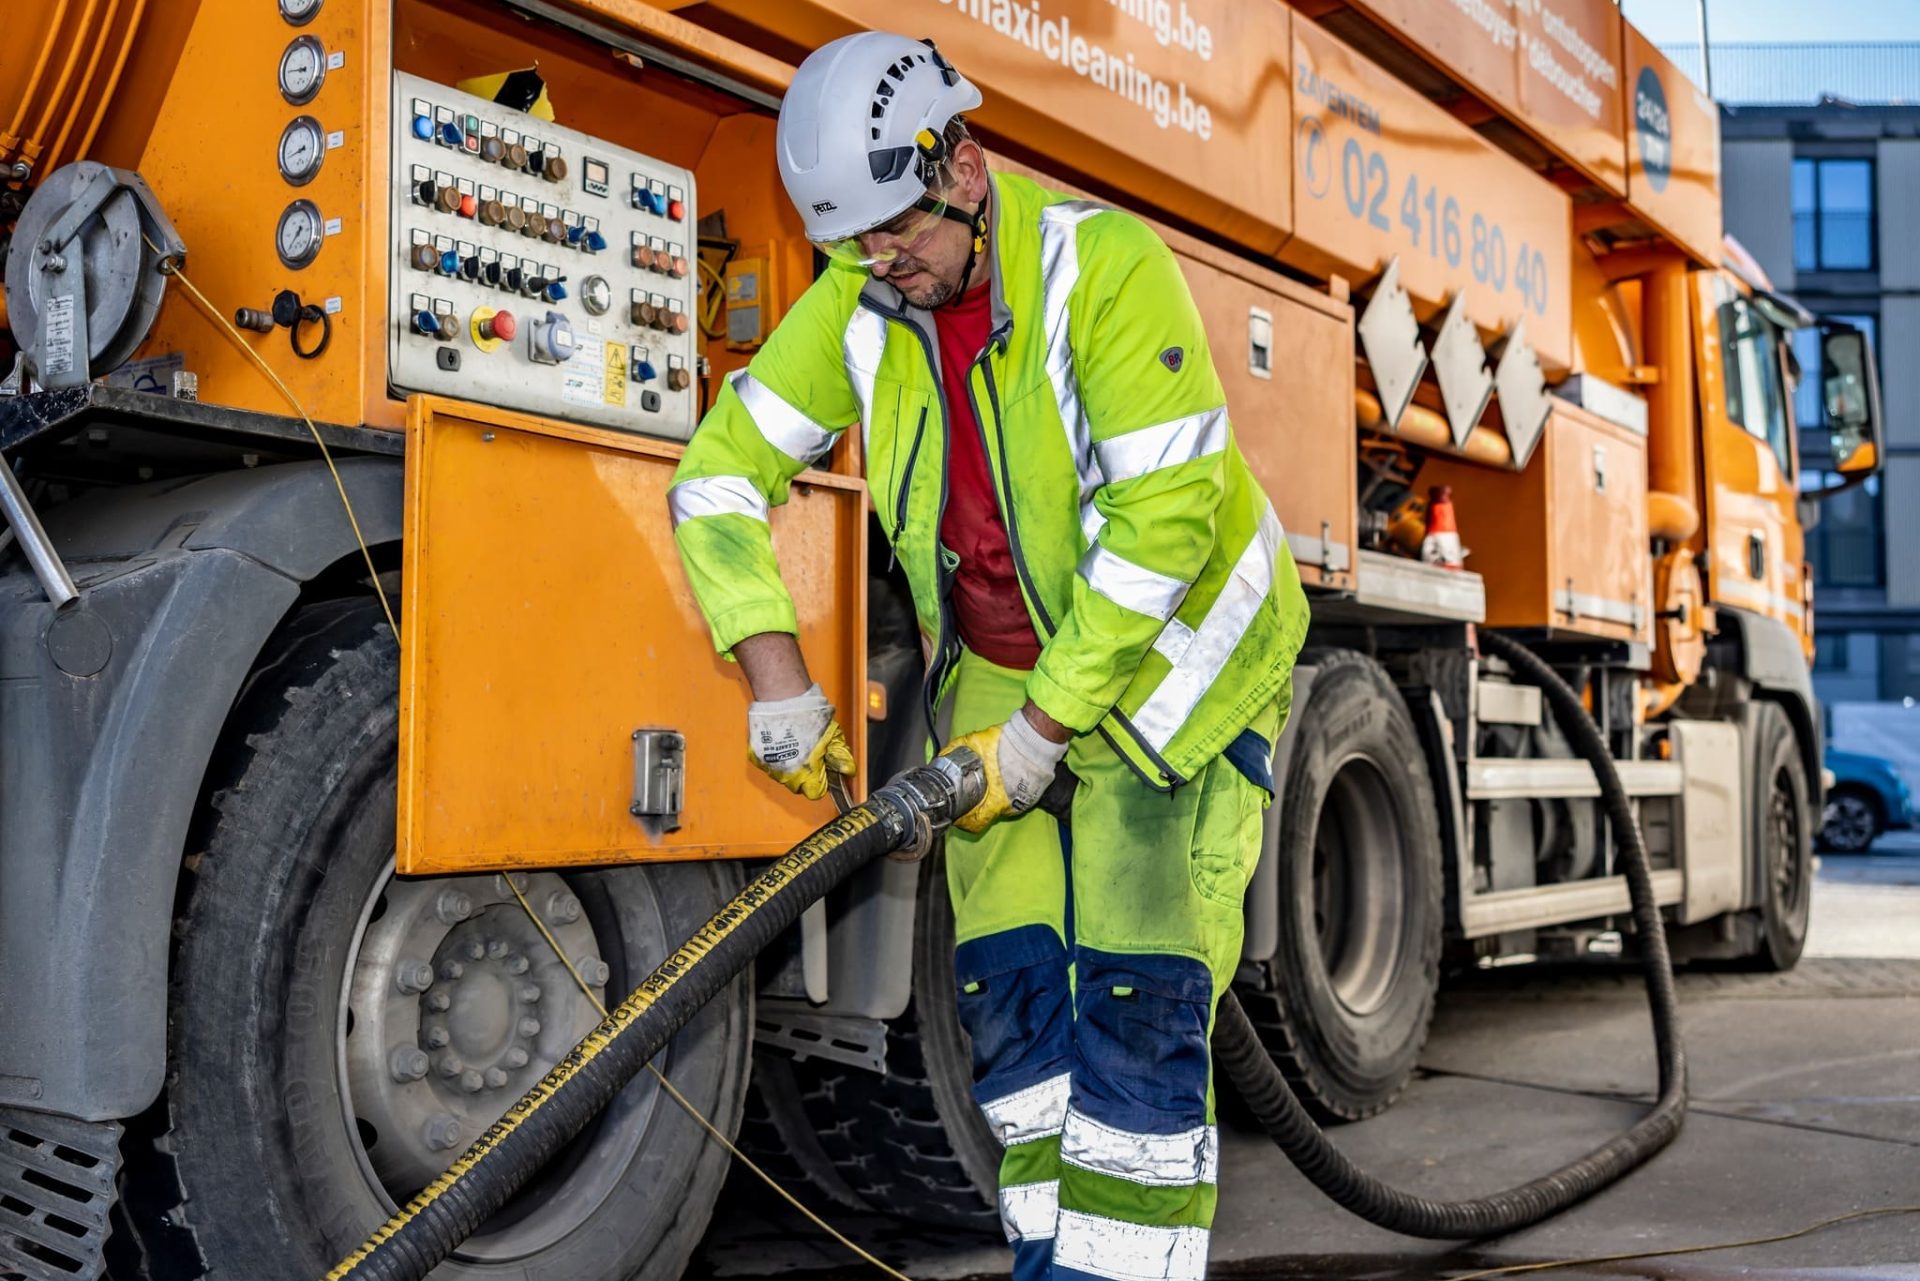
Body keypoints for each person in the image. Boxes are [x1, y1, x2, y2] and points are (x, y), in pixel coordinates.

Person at [669, 30, 1308, 1281]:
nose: (877, 262)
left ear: (961, 163)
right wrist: (777, 685)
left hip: (1172, 668)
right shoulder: (861, 304)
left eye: (894, 228)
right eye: (851, 242)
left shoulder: (1103, 270)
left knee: (1136, 1001)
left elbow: (1160, 534)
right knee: (1009, 1003)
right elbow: (714, 481)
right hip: (1013, 676)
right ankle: (1047, 1261)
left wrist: (1040, 735)